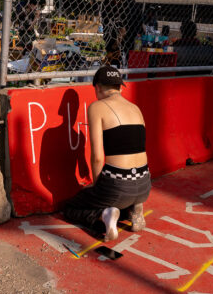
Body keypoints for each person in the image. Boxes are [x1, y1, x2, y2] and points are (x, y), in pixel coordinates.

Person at [63, 66, 150, 241]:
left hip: (118, 186)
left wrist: (96, 184)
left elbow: (97, 156)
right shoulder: (135, 108)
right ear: (120, 86)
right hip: (144, 184)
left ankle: (104, 216)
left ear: (98, 87)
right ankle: (134, 209)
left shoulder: (97, 107)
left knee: (71, 207)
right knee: (122, 197)